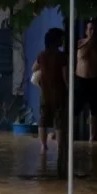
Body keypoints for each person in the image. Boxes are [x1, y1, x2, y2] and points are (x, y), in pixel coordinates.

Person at [32, 27, 68, 157]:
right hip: (59, 92)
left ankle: (43, 146)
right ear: (56, 40)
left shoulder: (42, 55)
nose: (63, 41)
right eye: (61, 39)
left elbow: (33, 68)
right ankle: (59, 147)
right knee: (59, 121)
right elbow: (65, 76)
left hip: (45, 93)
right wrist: (69, 88)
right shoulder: (61, 56)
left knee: (43, 119)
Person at [75, 20, 97, 142]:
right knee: (74, 109)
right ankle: (67, 134)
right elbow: (81, 55)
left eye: (94, 29)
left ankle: (93, 136)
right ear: (86, 31)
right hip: (81, 79)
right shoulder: (80, 43)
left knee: (96, 111)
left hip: (95, 80)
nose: (92, 32)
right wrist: (90, 41)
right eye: (90, 29)